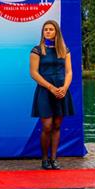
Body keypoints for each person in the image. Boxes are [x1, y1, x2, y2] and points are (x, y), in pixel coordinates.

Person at [30, 20, 74, 169]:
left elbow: (69, 72)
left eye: (51, 29)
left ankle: (54, 159)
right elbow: (34, 73)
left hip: (61, 91)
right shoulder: (37, 50)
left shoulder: (64, 50)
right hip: (45, 90)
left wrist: (64, 88)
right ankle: (44, 159)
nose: (48, 31)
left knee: (57, 125)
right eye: (45, 29)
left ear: (56, 32)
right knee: (47, 125)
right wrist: (50, 87)